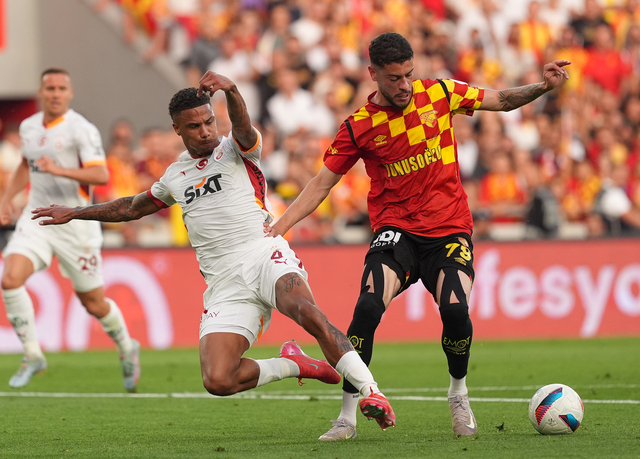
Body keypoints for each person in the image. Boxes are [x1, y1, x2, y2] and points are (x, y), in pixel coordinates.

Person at [31, 71, 396, 436]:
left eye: (209, 121)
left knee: (307, 312)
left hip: (264, 253)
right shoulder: (174, 176)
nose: (206, 131)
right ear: (177, 129)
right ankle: (294, 364)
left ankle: (372, 391)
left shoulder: (237, 149)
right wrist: (75, 212)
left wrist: (232, 91)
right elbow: (131, 207)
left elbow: (243, 125)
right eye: (195, 126)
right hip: (224, 282)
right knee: (218, 379)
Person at [264, 32, 570, 440]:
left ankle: (458, 394)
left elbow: (501, 99)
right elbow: (322, 184)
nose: (405, 85)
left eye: (409, 74)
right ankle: (347, 417)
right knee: (367, 308)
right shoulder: (359, 126)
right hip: (396, 232)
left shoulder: (440, 93)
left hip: (449, 229)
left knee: (456, 311)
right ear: (373, 74)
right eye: (394, 78)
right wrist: (279, 227)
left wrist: (543, 87)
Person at [0, 68, 140, 391]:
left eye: (61, 88)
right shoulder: (29, 127)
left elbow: (101, 175)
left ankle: (126, 345)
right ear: (40, 92)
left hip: (75, 223)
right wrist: (7, 198)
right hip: (37, 218)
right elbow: (26, 164)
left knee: (93, 303)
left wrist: (59, 169)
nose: (55, 93)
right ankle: (33, 354)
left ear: (70, 93)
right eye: (50, 88)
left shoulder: (81, 130)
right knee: (10, 280)